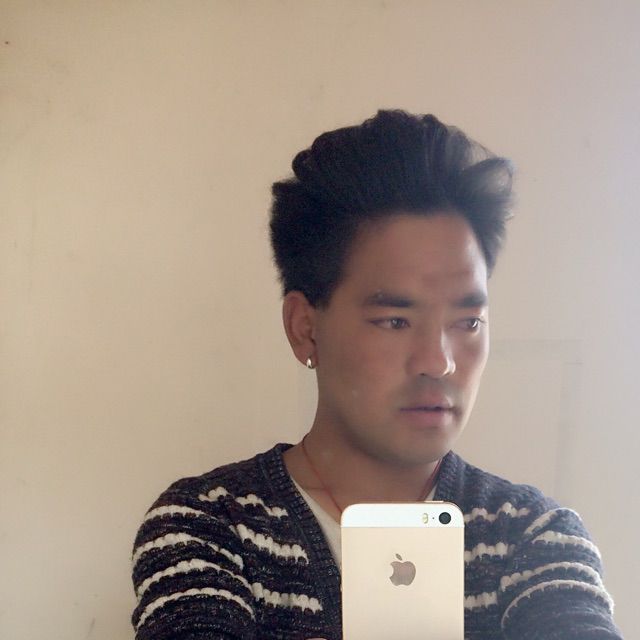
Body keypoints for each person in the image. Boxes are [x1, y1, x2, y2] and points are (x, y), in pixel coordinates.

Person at [130, 110, 622, 639]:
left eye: (468, 322)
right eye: (395, 320)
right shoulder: (208, 526)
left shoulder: (532, 538)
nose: (438, 361)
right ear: (305, 328)